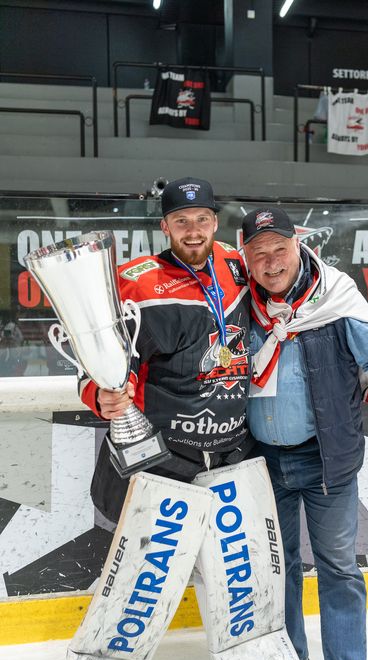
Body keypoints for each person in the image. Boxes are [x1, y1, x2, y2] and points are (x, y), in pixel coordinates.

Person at [242, 205, 368, 660]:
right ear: (246, 258)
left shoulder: (335, 296)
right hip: (260, 462)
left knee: (340, 572)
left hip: (326, 459)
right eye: (259, 253)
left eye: (279, 249)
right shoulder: (238, 304)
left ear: (297, 246)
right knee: (275, 570)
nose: (271, 262)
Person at [80, 176, 254, 524]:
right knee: (153, 558)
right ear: (165, 227)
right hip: (163, 462)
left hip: (232, 460)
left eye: (202, 219)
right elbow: (99, 357)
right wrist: (101, 394)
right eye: (181, 221)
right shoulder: (138, 283)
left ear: (215, 223)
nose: (193, 231)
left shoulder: (236, 264)